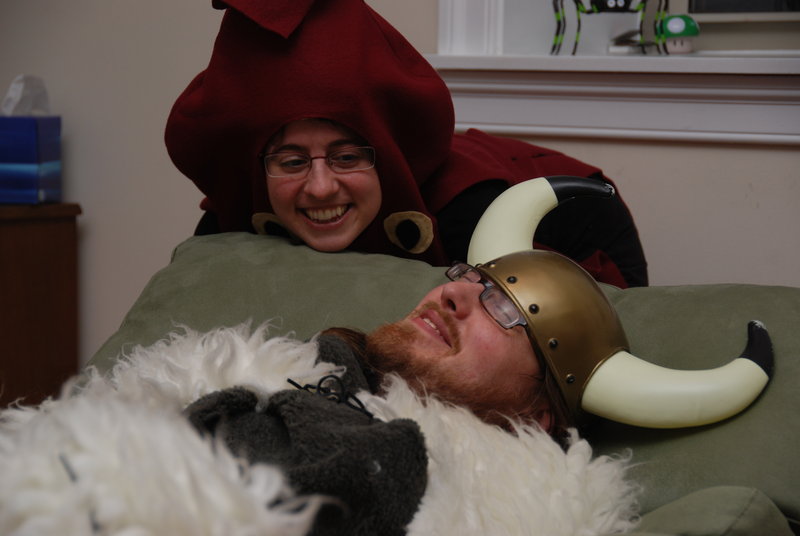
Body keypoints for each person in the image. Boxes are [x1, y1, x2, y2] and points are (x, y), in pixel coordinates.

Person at [165, 0, 648, 288]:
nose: (320, 187)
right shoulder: (228, 224)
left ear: (389, 159)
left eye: (347, 157)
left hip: (580, 218)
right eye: (291, 162)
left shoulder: (472, 219)